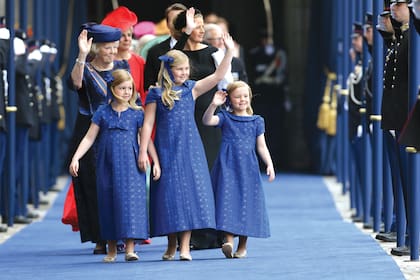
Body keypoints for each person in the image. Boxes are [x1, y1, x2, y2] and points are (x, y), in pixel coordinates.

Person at [138, 34, 234, 261]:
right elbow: (148, 123)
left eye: (186, 69)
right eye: (180, 69)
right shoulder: (156, 93)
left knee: (189, 196)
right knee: (168, 196)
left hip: (190, 149)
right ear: (169, 70)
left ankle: (185, 247)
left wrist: (228, 51)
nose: (184, 73)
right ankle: (171, 244)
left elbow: (219, 75)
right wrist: (144, 152)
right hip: (165, 150)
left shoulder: (191, 89)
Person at [69, 69, 160, 262]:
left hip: (131, 165)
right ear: (113, 88)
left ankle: (130, 249)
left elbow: (146, 139)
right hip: (106, 164)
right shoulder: (102, 112)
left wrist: (155, 161)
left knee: (131, 204)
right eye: (122, 88)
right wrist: (76, 157)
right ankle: (111, 249)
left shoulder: (137, 113)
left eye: (130, 88)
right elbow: (89, 137)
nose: (127, 92)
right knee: (107, 202)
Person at [68, 23, 129, 255]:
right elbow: (75, 83)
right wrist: (82, 55)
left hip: (119, 132)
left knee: (119, 186)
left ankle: (121, 234)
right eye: (107, 48)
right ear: (96, 49)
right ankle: (100, 237)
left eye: (114, 47)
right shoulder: (85, 67)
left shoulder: (123, 67)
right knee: (94, 186)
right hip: (89, 133)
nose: (112, 51)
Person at [202, 81, 275, 259]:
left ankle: (242, 246)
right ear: (230, 99)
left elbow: (262, 146)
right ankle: (228, 241)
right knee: (227, 200)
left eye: (245, 96)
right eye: (237, 97)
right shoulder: (226, 118)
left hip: (247, 168)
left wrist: (269, 164)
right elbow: (207, 121)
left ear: (250, 98)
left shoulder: (257, 121)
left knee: (246, 203)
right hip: (227, 166)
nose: (242, 100)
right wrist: (214, 104)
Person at [101, 6, 147, 105]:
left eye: (129, 35)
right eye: (122, 35)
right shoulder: (106, 61)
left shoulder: (139, 61)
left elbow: (143, 95)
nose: (127, 39)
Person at [143, 3, 187, 91]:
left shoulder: (199, 48)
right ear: (167, 24)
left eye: (180, 20)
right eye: (174, 20)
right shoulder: (154, 51)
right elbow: (148, 85)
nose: (177, 24)